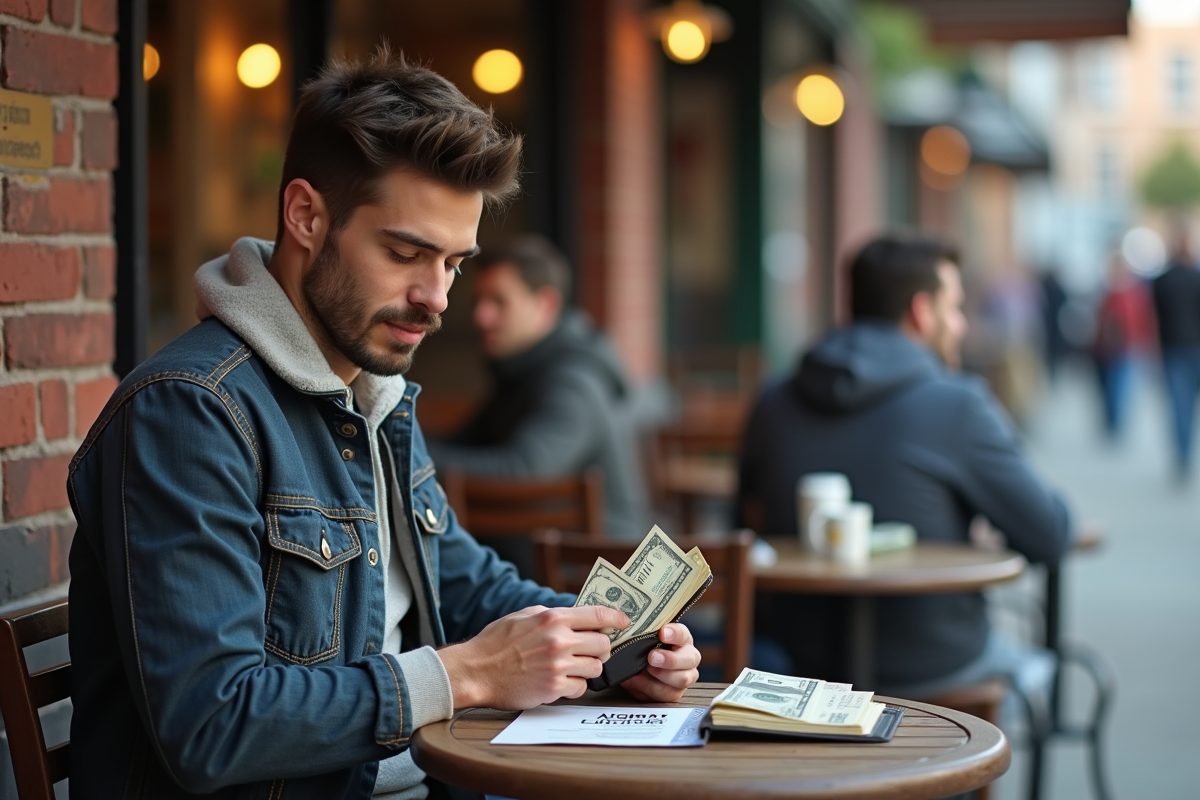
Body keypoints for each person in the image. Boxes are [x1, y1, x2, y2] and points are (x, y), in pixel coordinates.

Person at [66, 50, 699, 800]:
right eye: (405, 254)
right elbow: (212, 722)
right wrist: (466, 674)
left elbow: (462, 582)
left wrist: (607, 642)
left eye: (454, 264)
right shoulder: (189, 411)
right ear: (307, 217)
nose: (437, 298)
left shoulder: (375, 394)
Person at [737, 233, 1073, 698]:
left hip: (795, 663)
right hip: (932, 662)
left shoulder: (772, 402)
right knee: (1037, 672)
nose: (961, 325)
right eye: (954, 308)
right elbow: (1049, 534)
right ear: (921, 311)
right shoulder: (958, 405)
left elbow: (744, 528)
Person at [427, 236, 648, 541]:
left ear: (546, 305)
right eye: (479, 301)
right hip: (534, 552)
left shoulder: (574, 383)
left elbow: (520, 473)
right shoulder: (522, 370)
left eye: (499, 302)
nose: (481, 316)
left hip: (591, 564)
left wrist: (412, 459)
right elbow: (465, 443)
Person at [1151, 230, 1200, 480]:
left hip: (1172, 348)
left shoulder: (1163, 280)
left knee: (1179, 405)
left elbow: (1155, 318)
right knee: (1187, 405)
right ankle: (1184, 453)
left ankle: (1182, 455)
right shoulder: (1196, 278)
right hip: (1194, 348)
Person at [1092, 255, 1156, 440]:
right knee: (1115, 385)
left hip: (1128, 346)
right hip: (1113, 347)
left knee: (1122, 386)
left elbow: (1143, 319)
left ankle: (1116, 422)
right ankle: (1113, 421)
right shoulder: (1110, 292)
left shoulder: (1132, 292)